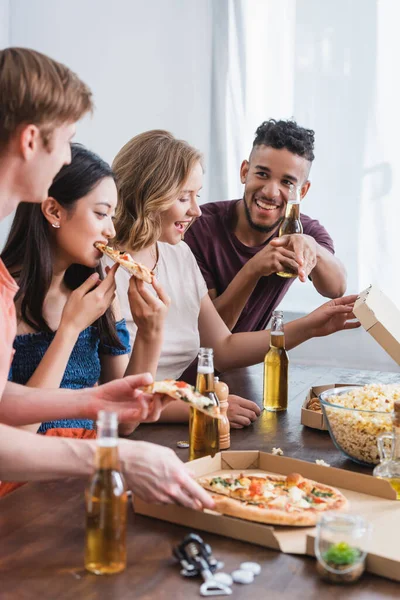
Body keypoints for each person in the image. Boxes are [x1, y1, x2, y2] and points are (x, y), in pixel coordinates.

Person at [0, 47, 213, 510]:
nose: (66, 159)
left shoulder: (93, 287)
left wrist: (98, 399)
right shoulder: (9, 292)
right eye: (66, 141)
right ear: (31, 141)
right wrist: (112, 454)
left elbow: (4, 402)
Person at [110, 129, 359, 432]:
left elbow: (221, 346)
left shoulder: (178, 254)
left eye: (196, 196)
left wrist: (312, 325)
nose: (195, 210)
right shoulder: (105, 270)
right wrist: (202, 404)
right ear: (150, 194)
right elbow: (117, 399)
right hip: (139, 423)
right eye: (183, 197)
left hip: (174, 407)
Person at [2, 143, 168, 441]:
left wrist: (150, 332)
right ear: (54, 211)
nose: (112, 232)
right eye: (101, 214)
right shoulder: (6, 299)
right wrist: (70, 330)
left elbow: (124, 419)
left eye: (112, 217)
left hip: (89, 462)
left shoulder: (96, 294)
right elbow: (15, 435)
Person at [184, 119, 347, 332]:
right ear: (245, 172)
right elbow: (209, 337)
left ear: (303, 191)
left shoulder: (304, 231)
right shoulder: (197, 227)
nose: (271, 192)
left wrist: (312, 248)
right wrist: (253, 269)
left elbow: (336, 289)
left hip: (243, 363)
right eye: (262, 174)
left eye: (287, 183)